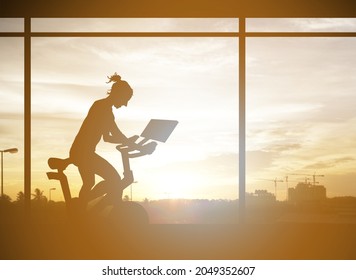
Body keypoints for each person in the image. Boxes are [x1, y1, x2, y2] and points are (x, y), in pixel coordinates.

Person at [69, 73, 137, 208]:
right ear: (119, 94)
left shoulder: (102, 106)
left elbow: (107, 137)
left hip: (80, 152)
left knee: (89, 183)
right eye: (125, 99)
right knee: (115, 180)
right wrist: (130, 142)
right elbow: (116, 133)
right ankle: (84, 205)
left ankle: (81, 210)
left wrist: (128, 141)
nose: (125, 104)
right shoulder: (103, 108)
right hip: (84, 154)